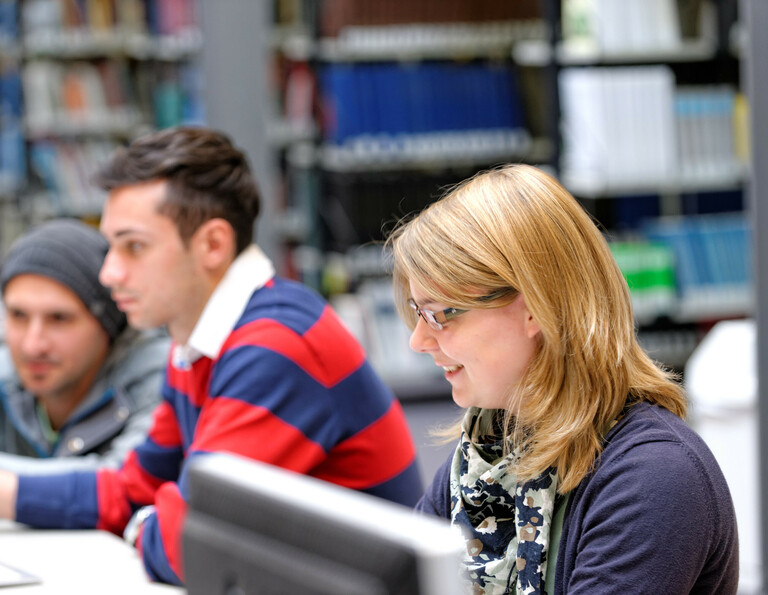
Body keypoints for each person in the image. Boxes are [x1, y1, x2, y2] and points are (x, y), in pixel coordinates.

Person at [0, 126, 422, 586]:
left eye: (133, 246)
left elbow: (191, 540)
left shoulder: (276, 347)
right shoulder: (198, 344)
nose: (109, 273)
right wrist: (10, 492)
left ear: (213, 245)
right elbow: (132, 487)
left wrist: (142, 524)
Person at [387, 164, 739, 594]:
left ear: (537, 307)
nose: (418, 341)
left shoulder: (654, 479)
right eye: (417, 313)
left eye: (440, 314)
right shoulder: (484, 460)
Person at [0, 219, 169, 474]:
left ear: (108, 325)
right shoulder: (6, 375)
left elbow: (124, 484)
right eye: (18, 316)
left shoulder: (161, 379)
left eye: (59, 319)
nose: (33, 345)